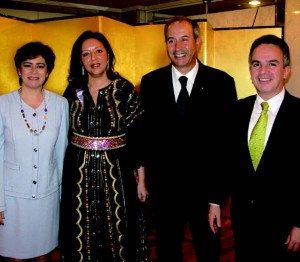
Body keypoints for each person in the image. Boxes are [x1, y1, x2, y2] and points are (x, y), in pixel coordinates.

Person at [139, 16, 237, 262]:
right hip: (164, 194)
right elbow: (145, 136)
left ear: (198, 41)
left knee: (208, 253)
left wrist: (217, 199)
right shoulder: (151, 83)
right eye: (171, 40)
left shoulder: (222, 83)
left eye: (184, 39)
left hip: (205, 196)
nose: (178, 47)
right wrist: (142, 181)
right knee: (167, 252)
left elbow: (227, 146)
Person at [59, 30, 150, 261]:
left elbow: (139, 138)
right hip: (78, 174)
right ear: (80, 60)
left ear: (108, 55)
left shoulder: (125, 90)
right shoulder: (73, 92)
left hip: (118, 174)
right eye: (86, 54)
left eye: (98, 51)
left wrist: (142, 180)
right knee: (81, 230)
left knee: (119, 230)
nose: (94, 58)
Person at [208, 34, 300, 262]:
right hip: (244, 224)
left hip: (286, 230)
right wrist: (215, 202)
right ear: (250, 70)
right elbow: (224, 162)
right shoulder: (236, 111)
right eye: (256, 64)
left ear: (286, 71)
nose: (263, 71)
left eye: (272, 64)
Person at [0, 42, 69, 261]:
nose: (33, 71)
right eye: (27, 65)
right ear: (19, 70)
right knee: (15, 257)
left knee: (44, 256)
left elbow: (61, 154)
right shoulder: (3, 104)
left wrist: (61, 199)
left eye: (40, 66)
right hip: (11, 200)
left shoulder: (60, 104)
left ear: (48, 71)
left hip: (48, 197)